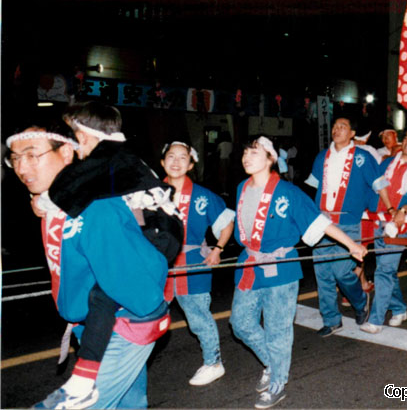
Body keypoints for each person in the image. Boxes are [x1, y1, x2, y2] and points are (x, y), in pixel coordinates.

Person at [27, 102, 182, 409]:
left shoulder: (111, 157)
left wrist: (43, 200)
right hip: (152, 235)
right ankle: (90, 376)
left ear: (84, 135)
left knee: (105, 293)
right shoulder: (123, 159)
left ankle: (84, 377)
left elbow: (68, 187)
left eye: (74, 134)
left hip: (154, 241)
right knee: (130, 396)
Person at [230, 136, 367, 408]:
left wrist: (352, 245)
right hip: (250, 266)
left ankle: (278, 381)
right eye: (245, 152)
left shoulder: (288, 192)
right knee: (240, 324)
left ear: (271, 159)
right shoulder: (240, 188)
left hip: (281, 270)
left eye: (254, 152)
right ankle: (272, 363)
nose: (247, 157)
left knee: (278, 330)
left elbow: (320, 222)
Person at [305, 116, 392, 337]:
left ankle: (360, 300)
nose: (337, 129)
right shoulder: (321, 156)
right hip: (322, 220)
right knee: (322, 272)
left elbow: (379, 184)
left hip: (348, 221)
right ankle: (331, 319)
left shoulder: (362, 157)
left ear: (352, 133)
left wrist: (390, 208)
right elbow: (312, 188)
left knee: (342, 271)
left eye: (343, 126)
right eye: (335, 126)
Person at [161, 141, 235, 386]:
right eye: (171, 156)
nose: (176, 162)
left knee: (198, 317)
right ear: (162, 162)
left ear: (191, 164)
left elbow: (226, 224)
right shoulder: (150, 193)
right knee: (145, 315)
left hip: (193, 261)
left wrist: (218, 249)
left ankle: (213, 363)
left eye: (183, 158)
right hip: (157, 265)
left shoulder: (203, 195)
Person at [360, 125, 407, 333]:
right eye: (406, 138)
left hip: (399, 225)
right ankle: (399, 308)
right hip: (379, 220)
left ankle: (375, 320)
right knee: (386, 270)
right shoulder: (388, 162)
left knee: (385, 270)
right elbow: (375, 185)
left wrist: (403, 210)